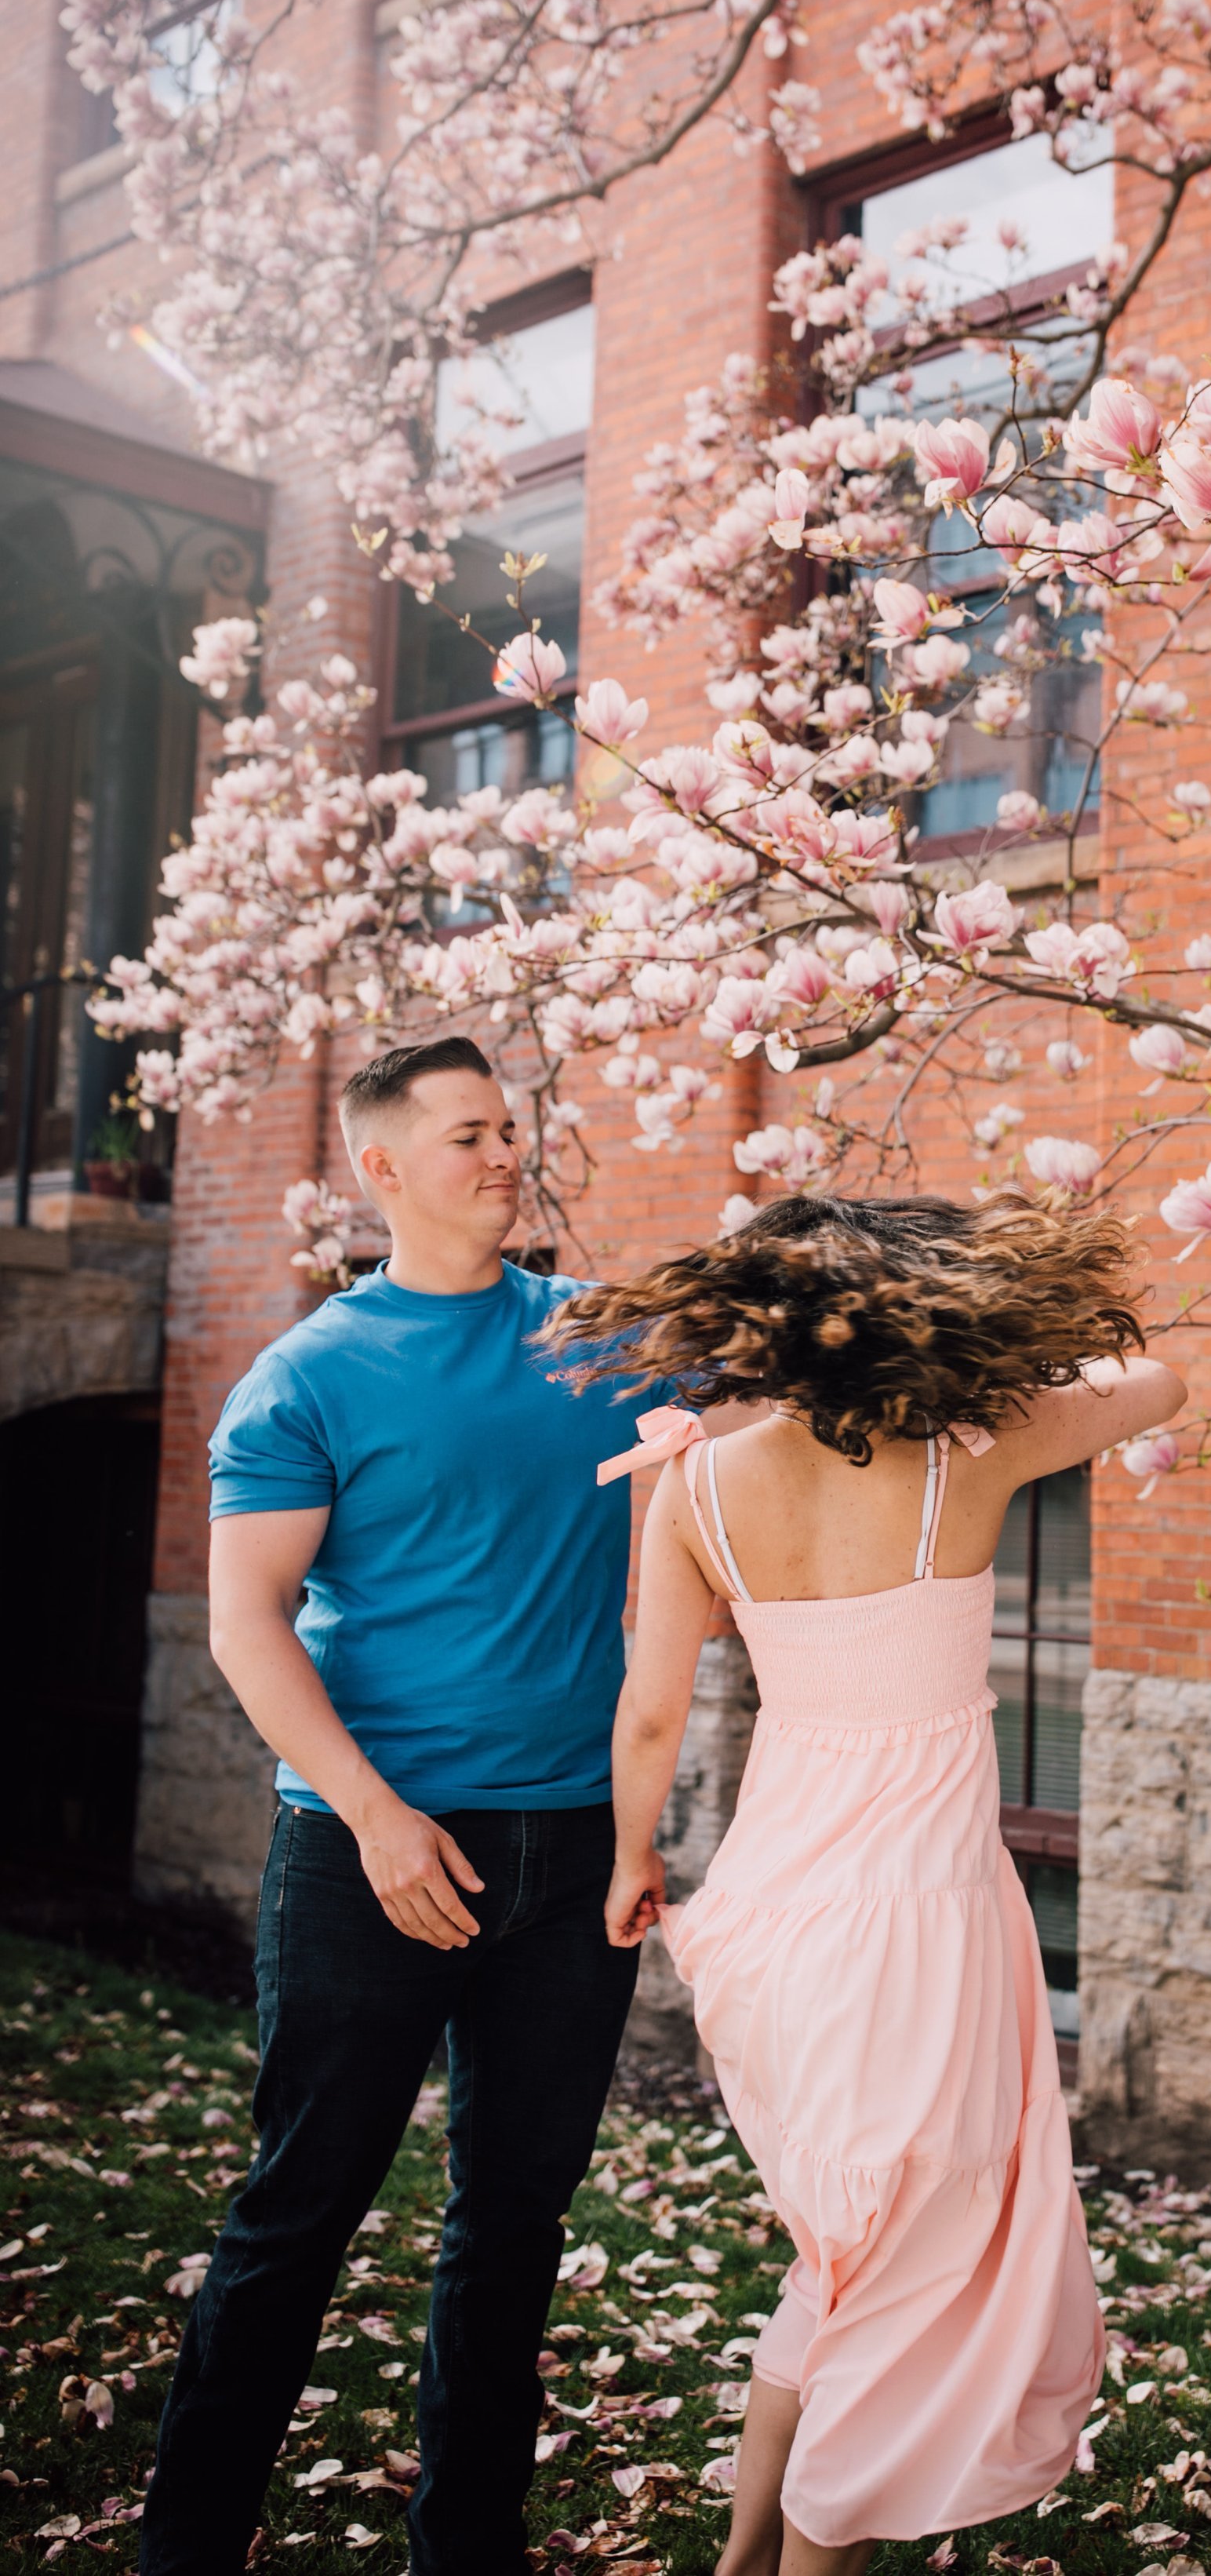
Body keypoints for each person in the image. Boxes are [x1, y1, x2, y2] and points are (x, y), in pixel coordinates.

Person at [547, 1190, 1187, 2576]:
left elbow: (651, 1712)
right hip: (920, 1927)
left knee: (842, 2260)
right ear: (901, 1308)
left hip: (779, 1912)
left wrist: (631, 1859)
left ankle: (740, 2561)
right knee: (898, 2276)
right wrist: (996, 1358)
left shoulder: (697, 1481)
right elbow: (1162, 1378)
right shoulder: (973, 1445)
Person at [140, 1037, 686, 2576]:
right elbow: (248, 1622)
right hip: (364, 1856)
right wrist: (376, 1818)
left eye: (509, 1129)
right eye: (468, 1136)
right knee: (295, 2215)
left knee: (512, 2226)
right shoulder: (309, 1375)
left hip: (569, 1855)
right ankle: (185, 2548)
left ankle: (469, 2550)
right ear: (382, 1170)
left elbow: (793, 1369)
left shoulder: (598, 1339)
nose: (505, 1156)